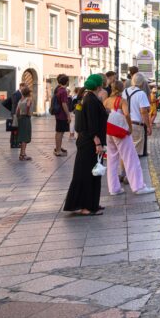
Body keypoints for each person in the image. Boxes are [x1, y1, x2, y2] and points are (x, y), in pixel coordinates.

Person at [63, 74, 106, 216]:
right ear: (99, 86)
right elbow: (92, 123)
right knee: (89, 174)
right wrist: (98, 142)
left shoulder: (86, 98)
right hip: (90, 143)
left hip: (85, 141)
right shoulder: (92, 100)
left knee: (90, 173)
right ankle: (87, 207)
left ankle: (91, 204)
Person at [104, 81, 155, 196]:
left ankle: (114, 188)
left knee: (112, 159)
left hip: (110, 131)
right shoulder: (121, 101)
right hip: (121, 132)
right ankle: (138, 186)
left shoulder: (106, 101)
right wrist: (129, 128)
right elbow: (127, 114)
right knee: (131, 158)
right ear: (122, 89)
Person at [123, 73, 152, 157]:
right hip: (136, 125)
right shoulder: (141, 94)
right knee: (135, 154)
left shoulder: (125, 91)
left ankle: (124, 169)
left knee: (127, 151)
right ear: (142, 83)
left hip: (125, 123)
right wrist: (148, 126)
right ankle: (132, 170)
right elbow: (143, 112)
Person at [53, 75, 71, 157]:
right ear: (66, 81)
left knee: (59, 132)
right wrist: (68, 115)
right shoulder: (63, 91)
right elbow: (64, 104)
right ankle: (58, 151)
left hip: (58, 114)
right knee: (60, 132)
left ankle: (58, 148)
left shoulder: (58, 89)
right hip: (62, 115)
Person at [15, 86, 33, 161]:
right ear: (28, 93)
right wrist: (28, 111)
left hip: (20, 119)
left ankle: (23, 153)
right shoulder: (29, 99)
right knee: (25, 137)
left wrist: (18, 116)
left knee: (22, 136)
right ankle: (22, 155)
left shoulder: (20, 100)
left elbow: (17, 111)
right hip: (26, 118)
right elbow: (28, 105)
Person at [8, 82, 27, 148]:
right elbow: (15, 104)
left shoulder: (21, 94)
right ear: (21, 86)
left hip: (19, 113)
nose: (25, 88)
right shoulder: (16, 94)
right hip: (15, 114)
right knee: (15, 129)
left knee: (17, 129)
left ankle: (16, 142)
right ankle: (13, 143)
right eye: (25, 87)